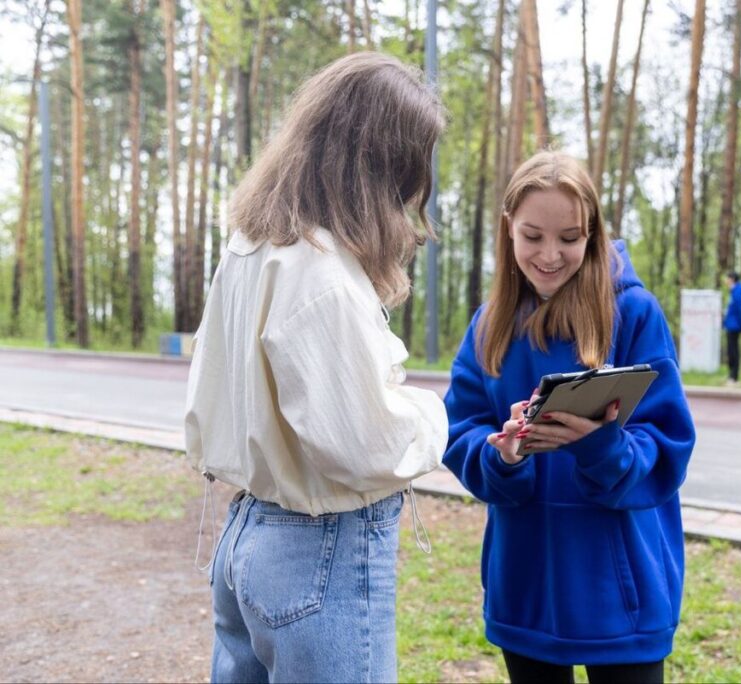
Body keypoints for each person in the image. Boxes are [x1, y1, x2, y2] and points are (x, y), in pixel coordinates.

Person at [183, 52, 448, 683]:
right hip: (320, 547)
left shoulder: (252, 247)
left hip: (247, 533)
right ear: (380, 167)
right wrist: (432, 414)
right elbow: (366, 445)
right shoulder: (322, 274)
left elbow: (207, 398)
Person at [443, 151, 696, 684]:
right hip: (526, 585)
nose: (551, 255)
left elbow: (668, 443)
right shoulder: (488, 325)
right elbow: (461, 429)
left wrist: (602, 445)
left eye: (570, 237)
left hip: (622, 591)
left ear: (593, 234)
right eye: (533, 236)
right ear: (508, 229)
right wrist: (502, 455)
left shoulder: (634, 312)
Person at [722, 271, 741, 385]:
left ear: (732, 279)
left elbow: (740, 309)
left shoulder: (737, 292)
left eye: (727, 278)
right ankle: (731, 376)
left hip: (735, 326)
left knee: (733, 352)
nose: (726, 281)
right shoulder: (733, 291)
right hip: (730, 325)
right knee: (731, 351)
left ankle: (734, 377)